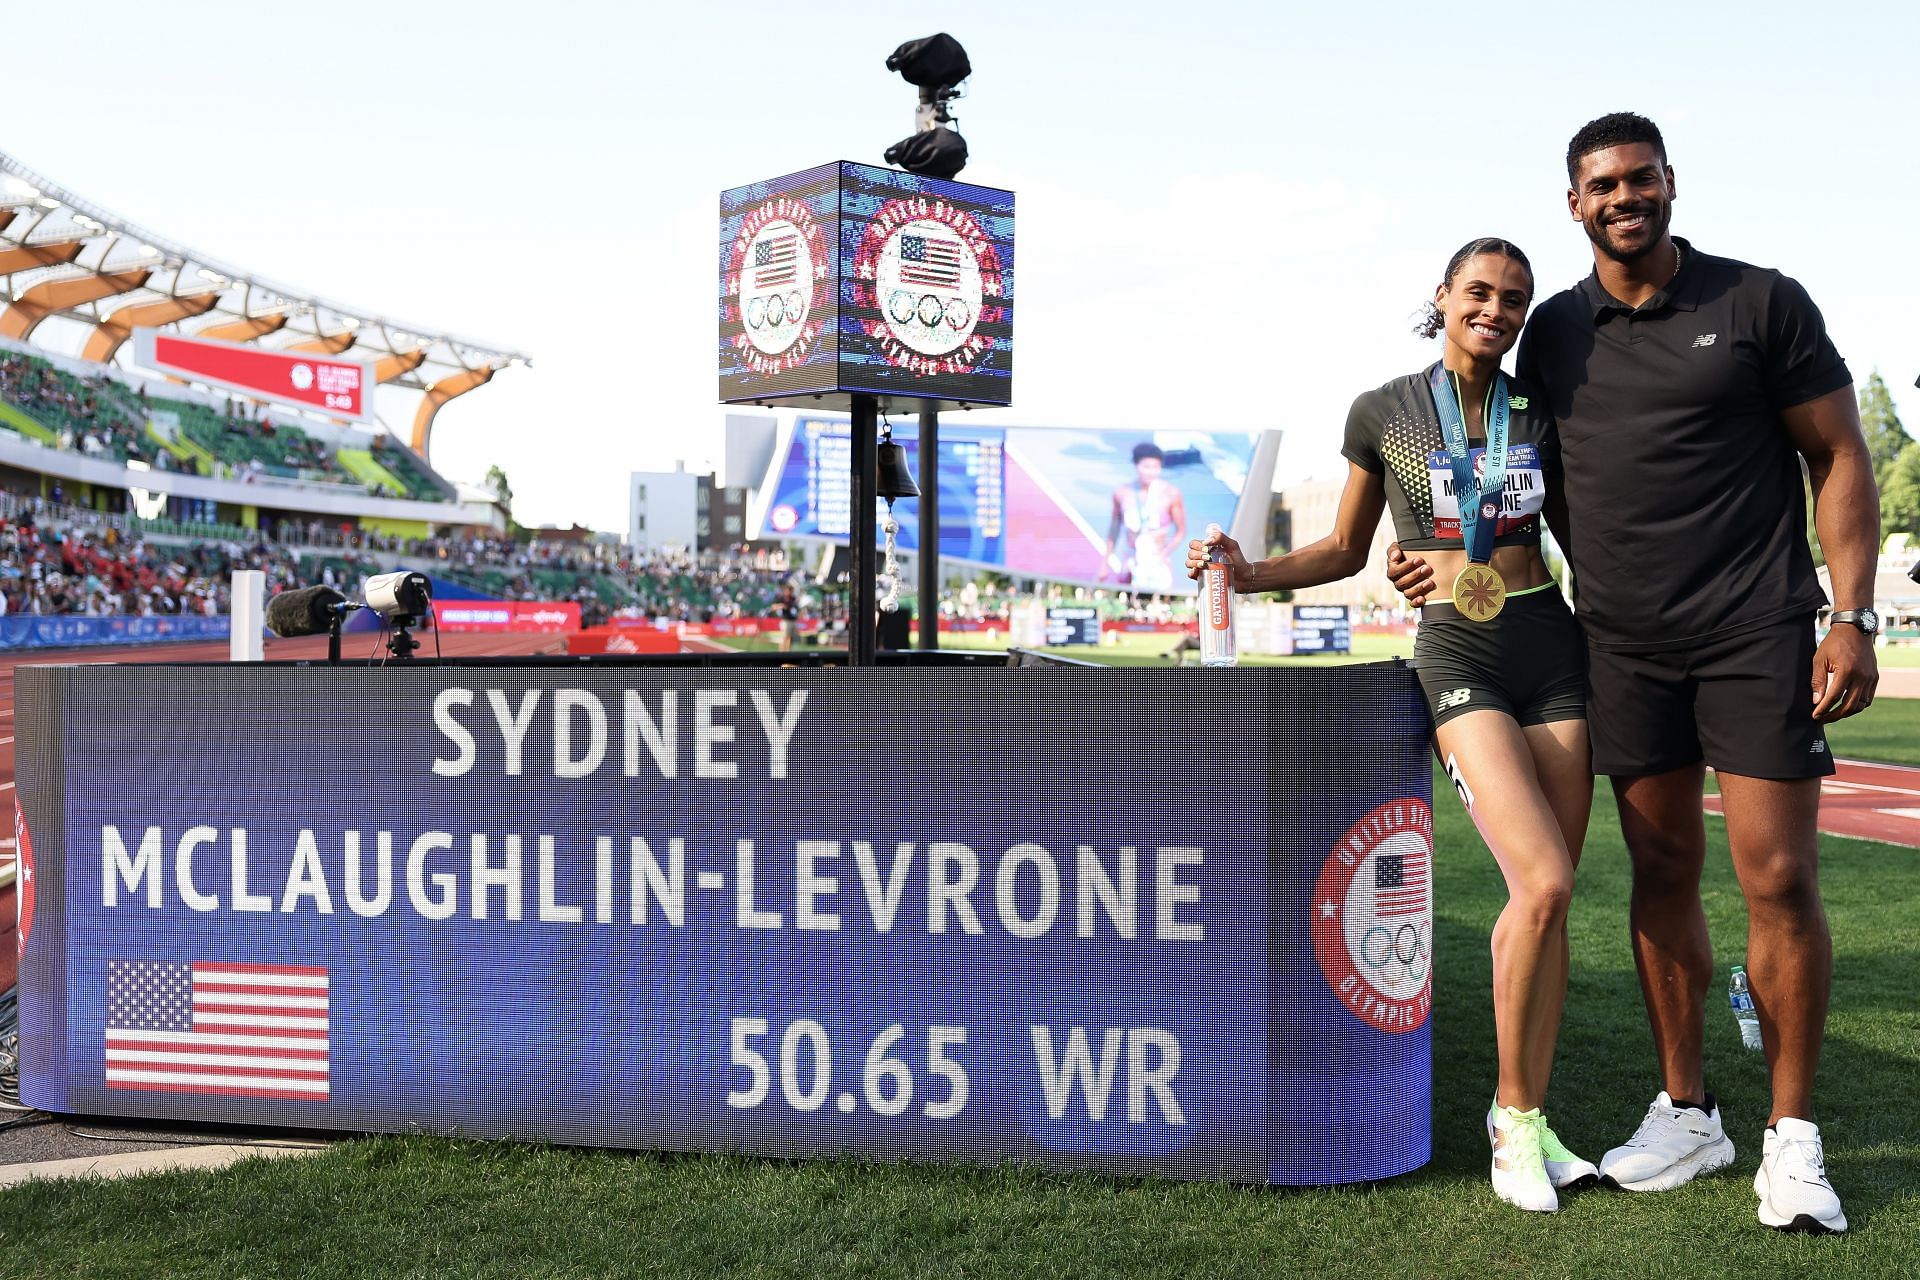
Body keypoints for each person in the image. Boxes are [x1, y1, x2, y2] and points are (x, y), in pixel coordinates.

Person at [1386, 113, 1876, 1235]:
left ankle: (1793, 1139)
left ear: (1668, 185)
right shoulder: (1553, 333)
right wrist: (1437, 558)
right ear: (1575, 204)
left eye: (1639, 179)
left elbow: (1838, 451)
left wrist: (1847, 614)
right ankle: (1689, 1108)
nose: (1623, 197)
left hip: (1756, 629)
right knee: (1658, 873)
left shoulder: (1759, 301)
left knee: (1779, 878)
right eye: (1601, 185)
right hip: (1621, 645)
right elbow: (1496, 470)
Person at [1189, 237, 1599, 1213]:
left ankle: (1536, 1119)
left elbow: (1584, 537)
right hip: (1458, 654)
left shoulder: (1539, 409)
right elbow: (1340, 548)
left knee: (1553, 901)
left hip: (1555, 646)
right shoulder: (1384, 410)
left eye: (1513, 299)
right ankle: (1508, 1117)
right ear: (1444, 297)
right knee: (1537, 878)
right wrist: (1247, 569)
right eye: (1480, 293)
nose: (1495, 310)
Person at [1105, 442, 1185, 591]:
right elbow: (1114, 529)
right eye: (1146, 467)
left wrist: (1164, 553)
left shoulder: (1170, 493)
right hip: (1131, 559)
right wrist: (1105, 562)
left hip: (1157, 561)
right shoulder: (1122, 493)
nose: (1150, 472)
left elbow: (1181, 531)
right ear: (1136, 466)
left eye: (1155, 467)